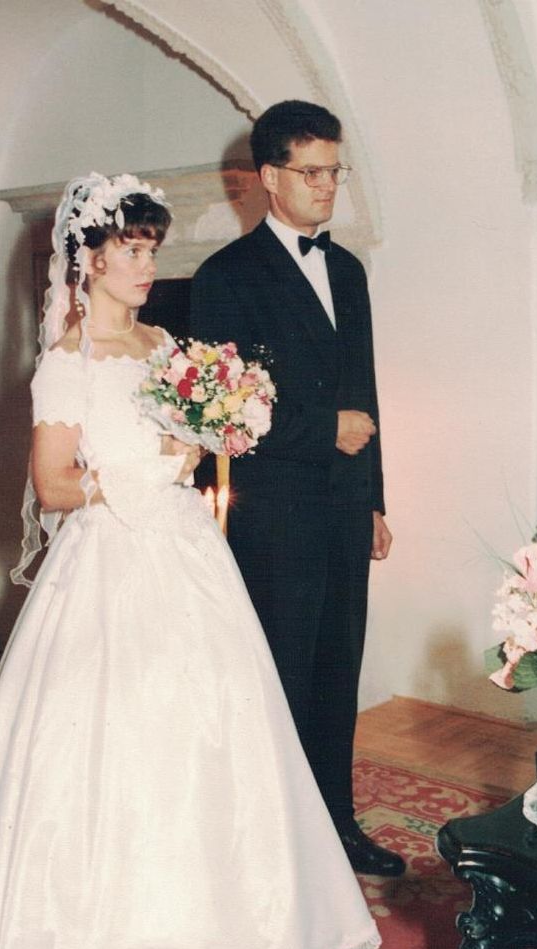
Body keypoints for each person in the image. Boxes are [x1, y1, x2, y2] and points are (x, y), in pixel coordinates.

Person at [0, 172, 380, 949]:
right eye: (131, 250)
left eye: (151, 249)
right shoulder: (68, 363)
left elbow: (187, 442)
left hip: (185, 550)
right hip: (109, 561)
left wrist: (205, 438)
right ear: (88, 260)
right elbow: (53, 486)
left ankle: (232, 919)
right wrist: (145, 468)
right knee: (114, 741)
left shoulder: (164, 341)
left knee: (219, 726)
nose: (146, 265)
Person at [191, 101, 405, 877]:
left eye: (334, 171)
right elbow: (217, 415)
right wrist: (323, 431)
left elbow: (365, 394)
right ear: (270, 178)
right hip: (275, 515)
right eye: (311, 172)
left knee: (337, 674)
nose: (327, 186)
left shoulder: (347, 271)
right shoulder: (224, 278)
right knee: (278, 678)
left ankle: (337, 825)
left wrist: (374, 499)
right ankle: (275, 844)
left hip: (345, 506)